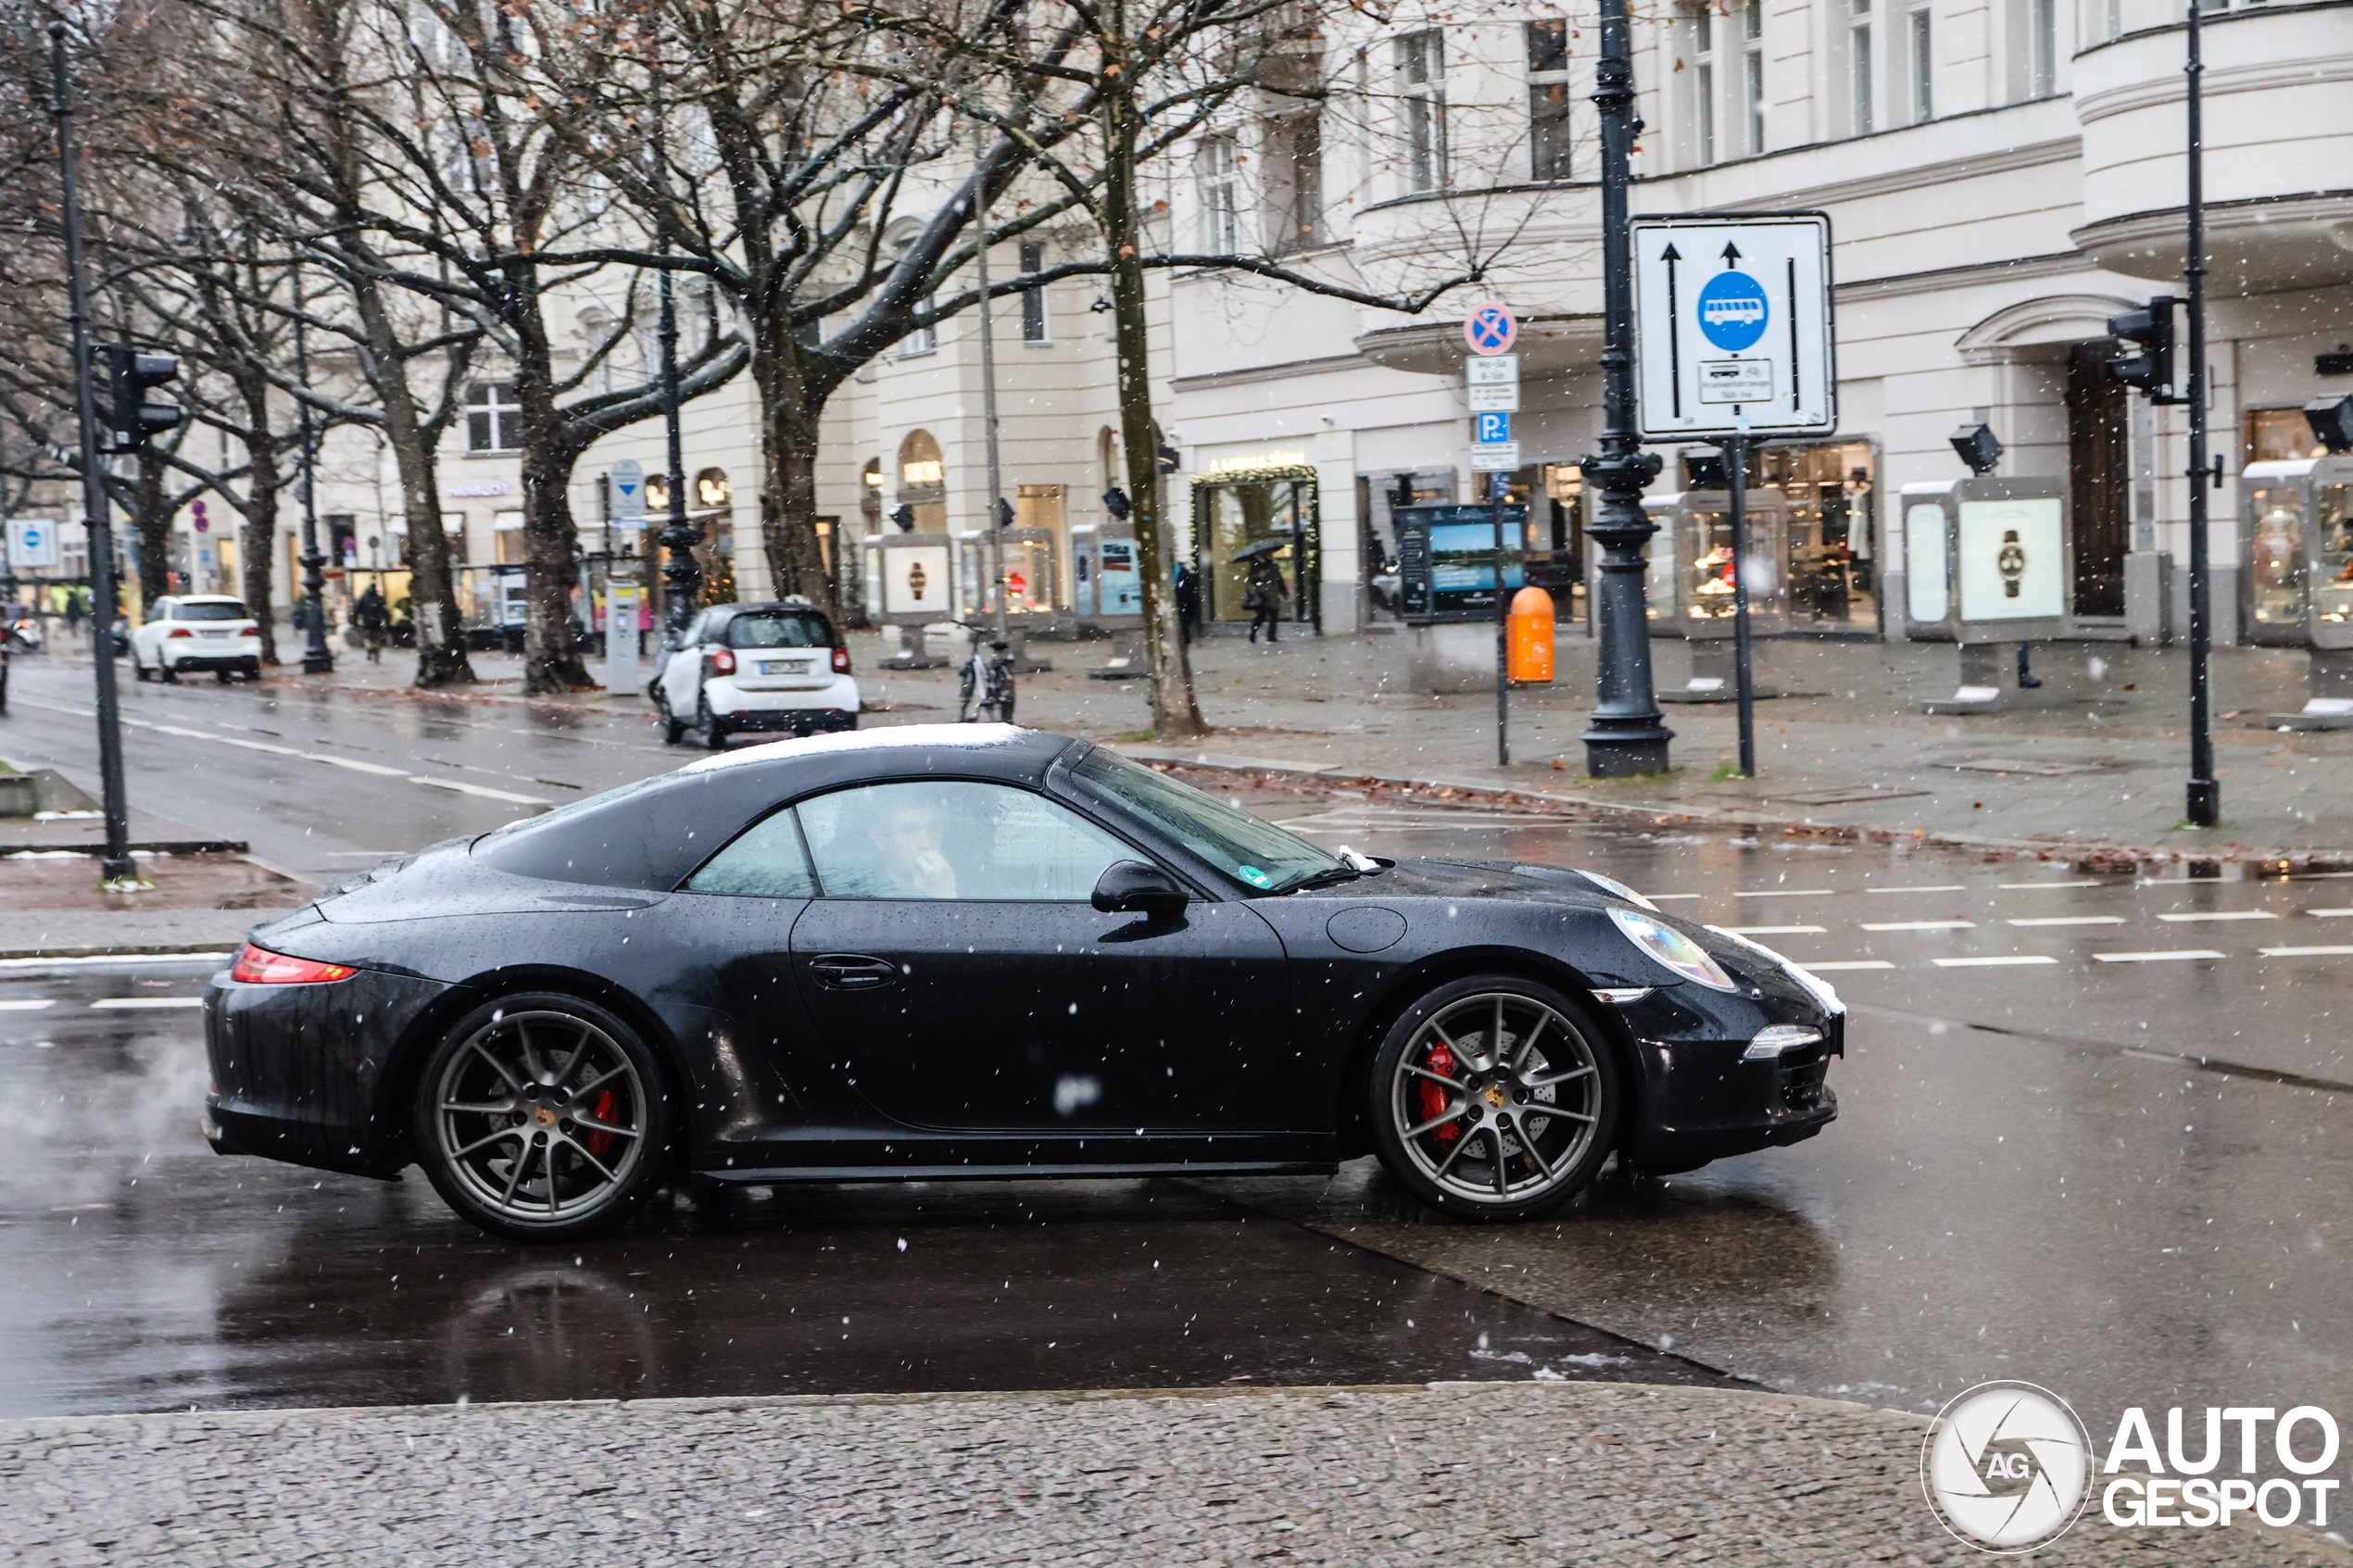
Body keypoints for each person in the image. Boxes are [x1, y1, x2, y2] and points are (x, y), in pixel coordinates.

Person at [1243, 555, 1287, 645]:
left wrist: (1284, 592)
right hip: (1262, 594)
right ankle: (1253, 632)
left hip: (1273, 594)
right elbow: (1250, 579)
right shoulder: (1257, 565)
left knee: (1274, 615)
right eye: (1269, 553)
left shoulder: (1274, 565)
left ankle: (1271, 636)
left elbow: (1279, 579)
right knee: (1261, 616)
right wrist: (1258, 576)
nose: (1271, 555)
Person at [355, 583, 389, 664]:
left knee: (366, 637)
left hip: (367, 622)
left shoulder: (363, 599)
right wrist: (387, 621)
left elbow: (357, 611)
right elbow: (384, 612)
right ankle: (377, 655)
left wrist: (355, 621)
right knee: (377, 639)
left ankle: (369, 647)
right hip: (377, 622)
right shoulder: (379, 600)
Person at [1173, 560, 1201, 646]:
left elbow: (1189, 589)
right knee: (1183, 619)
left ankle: (1185, 638)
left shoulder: (1180, 572)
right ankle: (1185, 638)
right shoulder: (1182, 572)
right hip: (1183, 600)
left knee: (1183, 619)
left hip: (1182, 600)